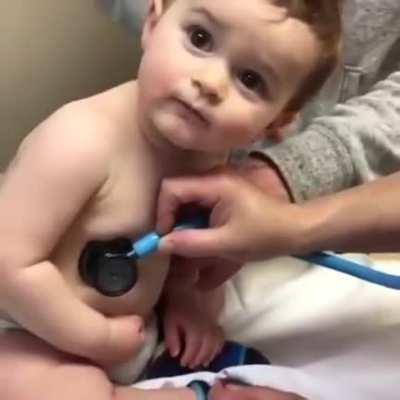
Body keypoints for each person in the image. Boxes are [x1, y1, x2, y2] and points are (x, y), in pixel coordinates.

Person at [0, 0, 342, 398]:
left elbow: (184, 246)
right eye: (200, 39)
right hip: (26, 327)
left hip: (128, 334)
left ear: (275, 124)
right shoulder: (80, 141)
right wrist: (98, 337)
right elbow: (9, 265)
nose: (211, 83)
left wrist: (188, 303)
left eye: (250, 80)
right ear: (153, 22)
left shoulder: (210, 154)